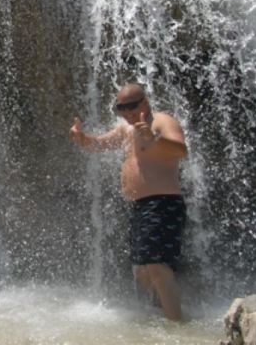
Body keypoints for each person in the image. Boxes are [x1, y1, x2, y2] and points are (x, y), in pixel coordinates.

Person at [68, 83, 188, 321]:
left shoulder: (162, 121)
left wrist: (153, 138)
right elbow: (99, 144)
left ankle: (178, 326)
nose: (128, 112)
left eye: (132, 106)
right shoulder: (126, 129)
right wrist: (81, 137)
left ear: (145, 101)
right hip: (141, 207)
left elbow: (181, 150)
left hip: (163, 203)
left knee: (156, 266)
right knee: (143, 270)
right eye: (121, 108)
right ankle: (158, 317)